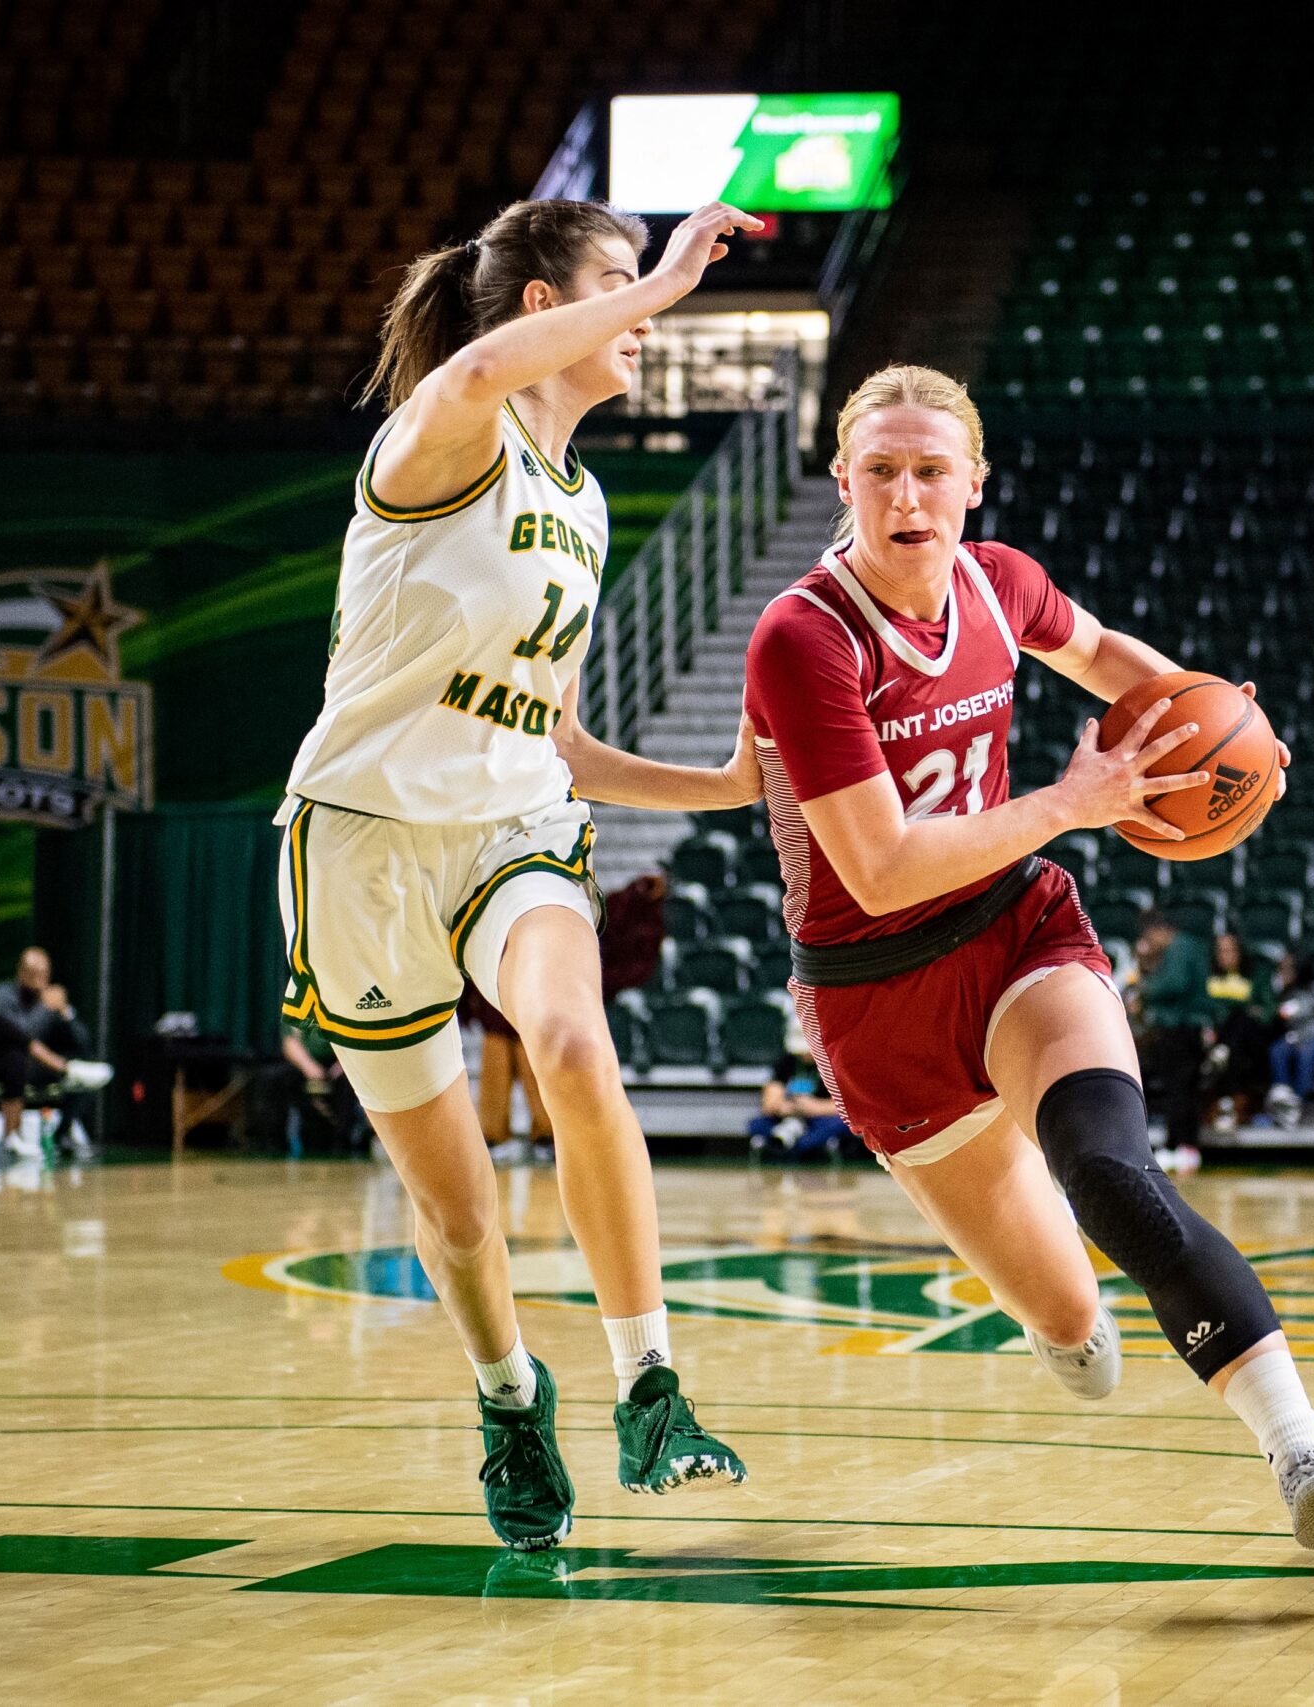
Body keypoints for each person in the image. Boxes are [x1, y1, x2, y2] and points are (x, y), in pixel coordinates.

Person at [740, 363, 1314, 1579]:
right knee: (1069, 1321)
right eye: (880, 470)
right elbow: (880, 870)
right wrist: (1067, 802)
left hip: (1011, 931)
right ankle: (1054, 1312)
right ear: (843, 483)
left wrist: (1219, 736)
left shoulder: (1001, 586)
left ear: (973, 484)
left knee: (1108, 1175)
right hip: (873, 994)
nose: (907, 494)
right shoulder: (802, 636)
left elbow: (1104, 658)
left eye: (932, 470)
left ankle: (1306, 1457)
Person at [272, 196, 765, 1551]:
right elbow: (478, 369)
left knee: (569, 1037)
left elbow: (554, 738)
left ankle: (650, 1383)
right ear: (546, 308)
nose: (647, 317)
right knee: (456, 1203)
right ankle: (507, 1394)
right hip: (360, 838)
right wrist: (667, 276)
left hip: (511, 828)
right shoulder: (448, 432)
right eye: (616, 286)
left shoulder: (586, 500)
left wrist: (720, 783)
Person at [0, 948, 111, 1162]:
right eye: (32, 972)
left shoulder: (50, 1000)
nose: (38, 977)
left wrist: (66, 1012)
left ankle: (63, 1133)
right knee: (15, 1055)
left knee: (84, 1059)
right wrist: (45, 1013)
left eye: (43, 973)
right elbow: (11, 1034)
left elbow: (82, 1041)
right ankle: (11, 1136)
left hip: (33, 1068)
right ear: (20, 972)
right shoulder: (1, 995)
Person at [1127, 913, 1214, 1156]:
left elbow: (1175, 983)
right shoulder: (1188, 946)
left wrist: (1143, 991)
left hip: (1181, 1028)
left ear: (1158, 930)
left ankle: (1180, 1145)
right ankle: (1182, 1146)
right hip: (1187, 1027)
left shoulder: (1180, 947)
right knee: (1183, 1088)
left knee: (1179, 1088)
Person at [465, 984, 553, 1165]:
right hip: (493, 996)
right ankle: (493, 1137)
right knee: (497, 1057)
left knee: (532, 1060)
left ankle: (547, 1135)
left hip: (531, 1001)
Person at [1201, 932, 1275, 1137]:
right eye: (1222, 951)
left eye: (1232, 950)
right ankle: (1227, 1099)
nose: (1228, 955)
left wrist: (1241, 1010)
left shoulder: (1256, 976)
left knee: (1240, 1021)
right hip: (1214, 1034)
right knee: (1233, 1025)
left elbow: (1267, 1011)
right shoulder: (1207, 977)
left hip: (1250, 1039)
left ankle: (1222, 1056)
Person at [748, 1023, 849, 1161]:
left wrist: (815, 1107)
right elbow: (770, 1102)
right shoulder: (787, 1061)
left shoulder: (834, 1063)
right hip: (789, 1115)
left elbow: (847, 1107)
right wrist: (785, 1107)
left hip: (820, 1117)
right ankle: (788, 1143)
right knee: (757, 1124)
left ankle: (795, 1148)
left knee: (840, 1125)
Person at [267, 1015, 365, 1155]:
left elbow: (354, 1042)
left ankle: (342, 1142)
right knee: (276, 1079)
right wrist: (310, 1067)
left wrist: (342, 1066)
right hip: (305, 1064)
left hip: (340, 1064)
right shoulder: (300, 1003)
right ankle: (276, 1144)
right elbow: (290, 1043)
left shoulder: (342, 1004)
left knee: (351, 1081)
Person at [1262, 950, 1314, 1125]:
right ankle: (1282, 1098)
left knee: (1308, 1053)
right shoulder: (1283, 992)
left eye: (1289, 968)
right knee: (1277, 1050)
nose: (1284, 973)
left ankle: (1299, 1102)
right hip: (1292, 1039)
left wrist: (1304, 1040)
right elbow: (1276, 1018)